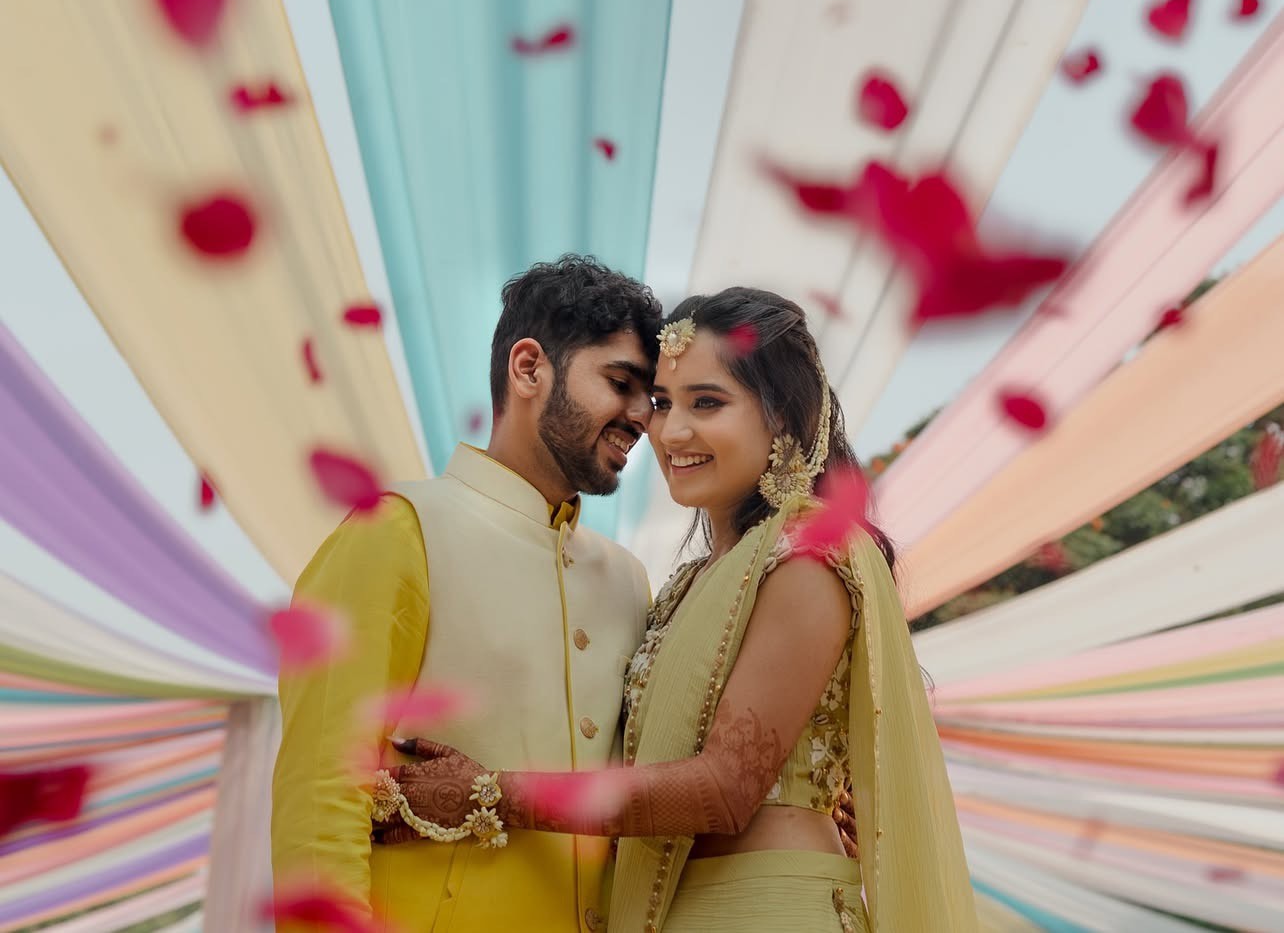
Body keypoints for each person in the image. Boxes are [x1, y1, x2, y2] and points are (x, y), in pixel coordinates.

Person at [378, 288, 979, 932]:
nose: (671, 431)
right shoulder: (686, 585)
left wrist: (492, 794)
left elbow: (724, 790)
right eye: (663, 403)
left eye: (707, 402)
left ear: (782, 416)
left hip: (768, 910)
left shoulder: (806, 559)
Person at [269, 254, 663, 933]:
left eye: (649, 398)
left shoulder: (629, 581)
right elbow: (321, 791)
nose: (641, 417)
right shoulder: (397, 528)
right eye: (620, 383)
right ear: (529, 367)